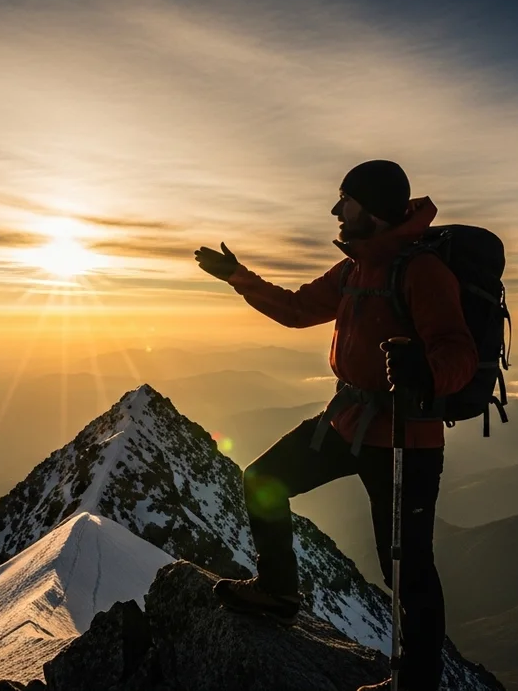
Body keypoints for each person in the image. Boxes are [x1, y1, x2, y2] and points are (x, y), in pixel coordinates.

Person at [193, 160, 477, 691]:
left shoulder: (420, 272)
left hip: (403, 439)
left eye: (344, 201)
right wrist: (238, 277)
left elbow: (458, 354)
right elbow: (299, 309)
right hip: (346, 422)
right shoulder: (353, 271)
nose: (335, 211)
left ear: (371, 208)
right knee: (262, 479)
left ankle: (415, 682)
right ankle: (279, 593)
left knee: (407, 569)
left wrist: (425, 371)